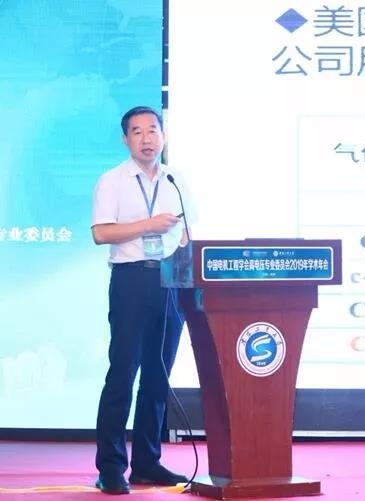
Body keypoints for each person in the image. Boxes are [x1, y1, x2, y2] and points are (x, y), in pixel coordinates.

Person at [91, 106, 194, 495]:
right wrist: (148, 225)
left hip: (170, 283)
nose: (147, 138)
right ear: (126, 140)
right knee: (122, 374)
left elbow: (188, 231)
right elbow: (101, 233)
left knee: (157, 376)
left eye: (153, 130)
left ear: (163, 136)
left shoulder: (175, 180)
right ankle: (111, 467)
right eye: (137, 132)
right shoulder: (112, 181)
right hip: (131, 280)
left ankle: (148, 462)